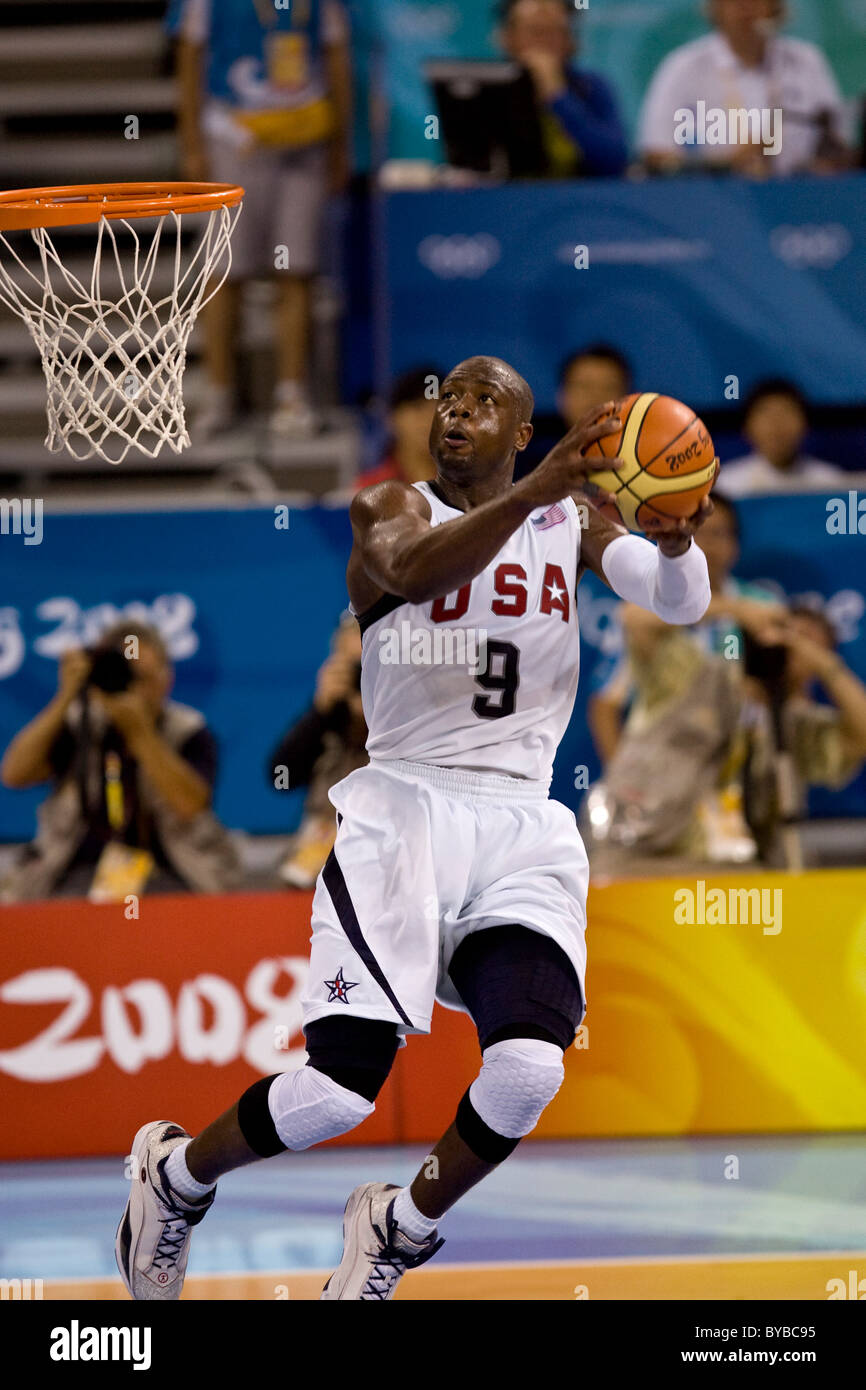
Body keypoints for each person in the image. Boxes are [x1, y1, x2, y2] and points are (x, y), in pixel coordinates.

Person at [116, 356, 713, 1302]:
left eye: (488, 402)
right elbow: (412, 571)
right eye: (452, 398)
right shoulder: (390, 509)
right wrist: (544, 491)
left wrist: (678, 540)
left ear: (522, 434)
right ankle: (177, 1178)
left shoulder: (569, 522)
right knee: (338, 1092)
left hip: (522, 819)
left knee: (526, 1072)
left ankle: (399, 1227)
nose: (460, 411)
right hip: (405, 809)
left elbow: (683, 603)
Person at [174, 0, 352, 438]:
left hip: (303, 139)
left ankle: (292, 394)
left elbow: (336, 55)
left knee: (296, 268)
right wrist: (192, 143)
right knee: (224, 272)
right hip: (236, 136)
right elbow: (189, 55)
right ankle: (219, 392)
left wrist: (340, 144)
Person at [586, 494, 783, 862]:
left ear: (737, 546)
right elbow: (604, 706)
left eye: (723, 534)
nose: (711, 543)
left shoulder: (763, 607)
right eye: (702, 532)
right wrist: (632, 785)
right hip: (659, 790)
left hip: (733, 795)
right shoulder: (651, 606)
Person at [0, 622, 241, 901]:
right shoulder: (81, 725)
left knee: (162, 916)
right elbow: (14, 774)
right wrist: (66, 696)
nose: (139, 689)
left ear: (168, 677)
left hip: (171, 870)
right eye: (128, 676)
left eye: (146, 677)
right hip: (77, 872)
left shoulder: (188, 730)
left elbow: (190, 805)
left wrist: (140, 734)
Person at [639, 0, 852, 178]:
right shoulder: (684, 67)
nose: (746, 7)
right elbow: (656, 153)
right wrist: (727, 164)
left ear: (774, 7)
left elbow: (838, 141)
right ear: (715, 8)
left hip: (799, 195)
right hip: (717, 198)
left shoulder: (805, 62)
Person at [269, 614, 366, 889]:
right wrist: (319, 712)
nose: (359, 677)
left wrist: (376, 717)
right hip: (320, 852)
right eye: (352, 668)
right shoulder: (325, 722)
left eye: (366, 667)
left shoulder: (403, 720)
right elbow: (280, 778)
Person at [498, 0, 628, 178]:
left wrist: (558, 97)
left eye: (555, 32)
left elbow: (614, 161)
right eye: (535, 31)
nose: (544, 42)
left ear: (570, 39)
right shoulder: (487, 89)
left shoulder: (592, 87)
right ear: (508, 38)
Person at [717, 379, 845, 497]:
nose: (777, 425)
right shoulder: (726, 486)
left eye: (786, 412)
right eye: (766, 414)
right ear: (747, 427)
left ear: (805, 424)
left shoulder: (831, 483)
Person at [355, 366, 443, 490]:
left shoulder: (469, 486)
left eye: (438, 408)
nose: (430, 418)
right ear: (391, 417)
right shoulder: (371, 489)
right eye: (418, 407)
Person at [557, 344, 632, 431]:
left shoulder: (646, 443)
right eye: (584, 386)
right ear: (561, 395)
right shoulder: (540, 443)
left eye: (608, 388)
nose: (596, 397)